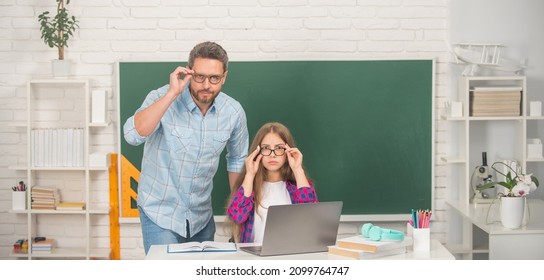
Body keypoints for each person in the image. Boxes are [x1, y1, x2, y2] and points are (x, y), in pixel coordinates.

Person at [123, 41, 249, 254]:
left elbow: (237, 158)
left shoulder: (233, 112)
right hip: (159, 213)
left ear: (224, 77)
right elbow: (132, 136)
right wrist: (172, 93)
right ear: (189, 72)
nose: (206, 85)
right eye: (199, 77)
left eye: (214, 78)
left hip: (201, 216)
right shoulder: (161, 97)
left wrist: (240, 211)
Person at [226, 122, 318, 243]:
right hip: (254, 257)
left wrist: (297, 169)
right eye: (266, 148)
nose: (272, 155)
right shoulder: (249, 187)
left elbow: (311, 217)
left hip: (290, 254)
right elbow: (237, 216)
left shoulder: (298, 187)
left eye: (279, 148)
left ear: (288, 151)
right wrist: (250, 174)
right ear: (257, 152)